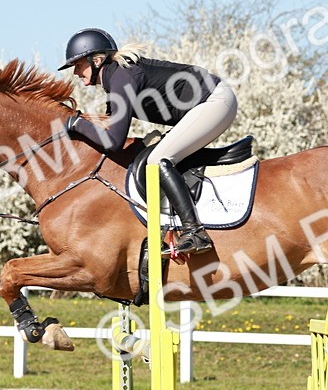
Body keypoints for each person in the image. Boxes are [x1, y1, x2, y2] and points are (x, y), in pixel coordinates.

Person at [60, 27, 238, 255]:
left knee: (157, 160)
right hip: (209, 102)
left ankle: (195, 233)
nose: (75, 72)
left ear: (96, 60)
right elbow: (109, 128)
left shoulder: (121, 77)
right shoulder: (116, 78)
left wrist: (77, 124)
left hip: (214, 101)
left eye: (77, 65)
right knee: (152, 152)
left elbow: (113, 141)